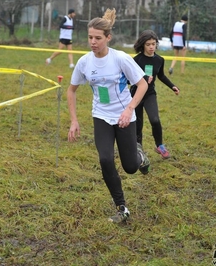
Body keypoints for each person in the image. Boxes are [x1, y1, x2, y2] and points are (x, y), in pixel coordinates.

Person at [67, 8, 150, 223]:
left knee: (130, 168)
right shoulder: (84, 62)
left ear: (108, 38)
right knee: (105, 159)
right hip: (101, 116)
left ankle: (139, 156)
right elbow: (71, 90)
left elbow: (142, 85)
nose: (93, 42)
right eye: (90, 38)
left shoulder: (120, 59)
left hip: (124, 117)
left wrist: (130, 108)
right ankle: (121, 208)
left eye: (97, 38)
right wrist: (74, 120)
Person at [131, 30, 180, 159]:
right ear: (143, 45)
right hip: (136, 95)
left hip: (149, 94)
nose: (151, 47)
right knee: (138, 124)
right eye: (148, 44)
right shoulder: (136, 60)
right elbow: (129, 79)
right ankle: (138, 150)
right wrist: (143, 78)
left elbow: (162, 76)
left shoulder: (159, 60)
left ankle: (160, 146)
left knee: (155, 120)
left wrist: (172, 86)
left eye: (153, 44)